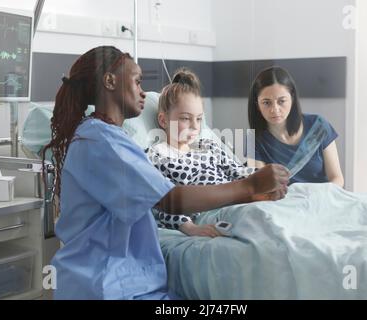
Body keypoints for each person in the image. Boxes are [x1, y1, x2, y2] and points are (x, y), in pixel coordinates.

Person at [42, 46, 290, 300]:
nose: (142, 91)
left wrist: (253, 188)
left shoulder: (108, 137)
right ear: (110, 81)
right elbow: (170, 200)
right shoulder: (101, 141)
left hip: (127, 282)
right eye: (138, 82)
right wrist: (250, 187)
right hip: (105, 286)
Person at [147, 68, 279, 238]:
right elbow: (164, 202)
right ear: (163, 120)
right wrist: (190, 228)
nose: (196, 126)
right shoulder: (156, 157)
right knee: (265, 226)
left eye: (199, 119)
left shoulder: (209, 146)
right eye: (186, 118)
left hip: (239, 200)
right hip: (208, 213)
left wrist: (265, 178)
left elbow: (238, 172)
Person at [247, 66, 344, 187]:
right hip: (282, 203)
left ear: (292, 98)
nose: (274, 109)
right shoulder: (252, 140)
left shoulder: (318, 126)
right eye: (266, 102)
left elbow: (337, 179)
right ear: (257, 104)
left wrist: (318, 199)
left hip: (322, 200)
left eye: (281, 101)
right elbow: (260, 187)